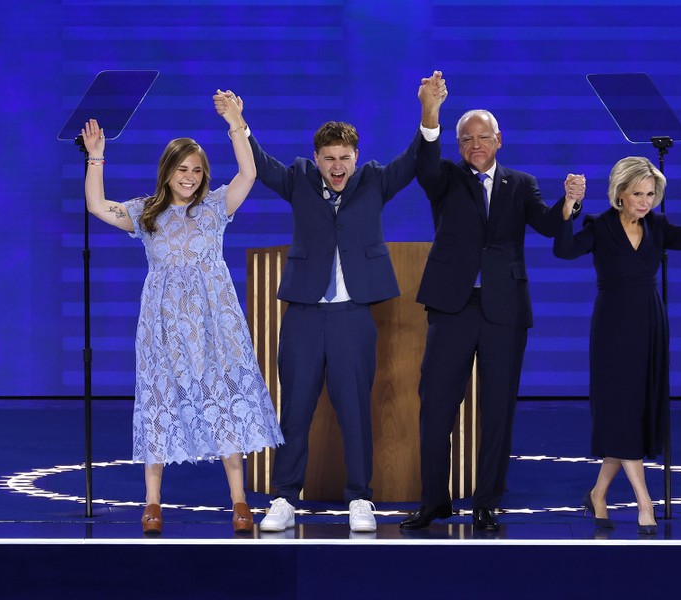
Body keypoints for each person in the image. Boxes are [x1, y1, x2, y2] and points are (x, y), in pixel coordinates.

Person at [214, 75, 443, 533]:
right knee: (295, 408)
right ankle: (283, 497)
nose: (337, 166)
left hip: (352, 316)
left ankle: (360, 498)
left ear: (355, 159)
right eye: (329, 158)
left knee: (355, 409)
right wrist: (238, 122)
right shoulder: (299, 178)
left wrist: (429, 112)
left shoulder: (375, 180)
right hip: (302, 314)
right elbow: (260, 163)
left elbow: (418, 160)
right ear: (317, 158)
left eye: (344, 158)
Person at [81, 90, 284, 535]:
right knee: (160, 403)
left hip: (216, 324)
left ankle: (240, 502)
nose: (189, 177)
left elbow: (249, 172)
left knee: (223, 402)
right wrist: (96, 157)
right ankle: (152, 504)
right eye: (182, 169)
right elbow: (97, 206)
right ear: (167, 172)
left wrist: (236, 124)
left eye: (196, 170)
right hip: (163, 325)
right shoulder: (147, 213)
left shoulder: (216, 208)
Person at [400, 74, 584, 531]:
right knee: (436, 405)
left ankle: (486, 502)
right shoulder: (444, 178)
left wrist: (569, 206)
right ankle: (435, 501)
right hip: (453, 306)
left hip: (504, 310)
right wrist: (431, 110)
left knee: (498, 409)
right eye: (467, 139)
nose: (475, 144)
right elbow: (425, 160)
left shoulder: (520, 184)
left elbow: (546, 223)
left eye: (484, 137)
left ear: (499, 140)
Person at [553, 156, 681, 533]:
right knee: (621, 412)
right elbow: (563, 251)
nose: (645, 202)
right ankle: (644, 504)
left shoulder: (658, 227)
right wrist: (567, 207)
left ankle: (599, 494)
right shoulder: (599, 228)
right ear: (620, 194)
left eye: (650, 194)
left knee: (631, 416)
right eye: (637, 194)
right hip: (613, 330)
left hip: (650, 325)